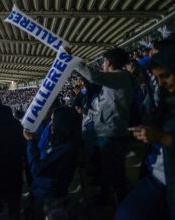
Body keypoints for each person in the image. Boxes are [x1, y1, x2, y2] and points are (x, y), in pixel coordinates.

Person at [116, 44, 175, 220]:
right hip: (157, 176)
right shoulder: (167, 101)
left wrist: (161, 137)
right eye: (158, 78)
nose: (161, 83)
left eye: (166, 76)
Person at [74, 47, 133, 204]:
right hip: (109, 132)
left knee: (115, 172)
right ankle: (109, 197)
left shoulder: (118, 76)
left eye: (104, 61)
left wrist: (73, 61)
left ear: (110, 62)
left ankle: (123, 203)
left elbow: (93, 76)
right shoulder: (119, 78)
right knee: (109, 170)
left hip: (112, 133)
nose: (102, 65)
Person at [24, 107, 81, 219]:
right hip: (45, 193)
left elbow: (37, 169)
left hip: (48, 197)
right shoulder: (63, 143)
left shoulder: (66, 149)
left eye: (53, 121)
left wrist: (31, 142)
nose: (51, 125)